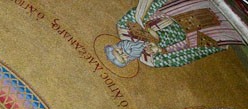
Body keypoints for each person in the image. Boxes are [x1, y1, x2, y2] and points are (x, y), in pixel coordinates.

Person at [105, 0, 244, 68]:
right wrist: (161, 49)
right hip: (197, 31)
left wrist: (147, 26)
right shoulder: (152, 60)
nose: (125, 53)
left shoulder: (123, 27)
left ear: (116, 45)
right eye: (124, 58)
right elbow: (184, 56)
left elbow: (141, 12)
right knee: (234, 18)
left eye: (118, 51)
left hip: (176, 10)